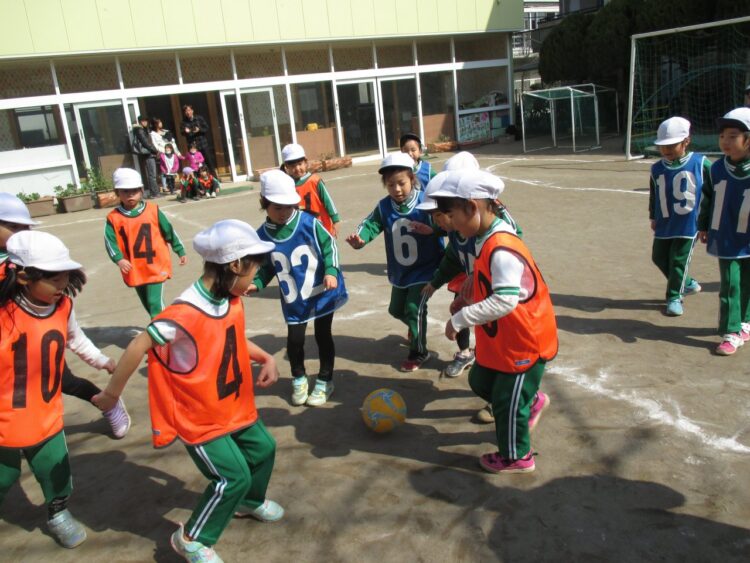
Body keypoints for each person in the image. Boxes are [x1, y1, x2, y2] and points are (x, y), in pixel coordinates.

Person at [92, 219, 283, 563]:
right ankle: (192, 538)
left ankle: (249, 503)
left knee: (264, 449)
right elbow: (139, 344)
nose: (255, 277)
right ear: (235, 265)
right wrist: (111, 394)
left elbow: (230, 339)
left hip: (232, 406)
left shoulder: (229, 297)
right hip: (200, 416)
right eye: (253, 269)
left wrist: (265, 356)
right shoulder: (183, 313)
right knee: (231, 477)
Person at [430, 169, 558, 474]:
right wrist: (468, 292)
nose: (449, 224)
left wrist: (460, 318)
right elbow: (487, 280)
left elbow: (505, 299)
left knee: (505, 402)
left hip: (524, 343)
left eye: (450, 215)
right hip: (503, 340)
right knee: (480, 380)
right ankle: (529, 400)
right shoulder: (486, 238)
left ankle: (516, 457)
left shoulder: (502, 246)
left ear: (472, 208)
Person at [0, 231, 117, 548]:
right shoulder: (4, 313)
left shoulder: (62, 305)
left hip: (45, 412)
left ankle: (58, 513)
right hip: (4, 418)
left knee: (56, 471)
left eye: (66, 276)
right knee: (4, 477)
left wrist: (102, 360)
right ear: (24, 276)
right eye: (53, 279)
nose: (62, 285)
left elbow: (75, 338)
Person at [0, 193, 130, 439]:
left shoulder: (36, 260)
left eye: (23, 227)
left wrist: (100, 360)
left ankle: (108, 403)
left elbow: (74, 336)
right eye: (12, 226)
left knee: (63, 380)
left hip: (37, 339)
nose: (19, 233)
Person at [249, 170, 348, 407]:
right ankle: (299, 377)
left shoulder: (308, 222)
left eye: (288, 207)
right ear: (265, 204)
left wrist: (331, 271)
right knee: (295, 340)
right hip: (294, 298)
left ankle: (325, 380)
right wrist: (258, 283)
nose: (283, 213)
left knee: (323, 335)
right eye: (277, 208)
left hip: (322, 291)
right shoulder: (262, 235)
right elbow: (267, 267)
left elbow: (329, 247)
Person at [346, 152, 444, 371]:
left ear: (412, 179)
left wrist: (434, 230)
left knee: (413, 307)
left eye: (401, 183)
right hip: (401, 271)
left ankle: (419, 352)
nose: (397, 190)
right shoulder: (384, 207)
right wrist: (360, 239)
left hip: (426, 269)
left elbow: (446, 224)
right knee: (396, 310)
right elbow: (370, 224)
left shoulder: (425, 202)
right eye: (391, 185)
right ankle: (414, 326)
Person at [697, 107, 750, 355]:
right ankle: (730, 331)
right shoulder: (716, 169)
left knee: (747, 282)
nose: (725, 142)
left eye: (732, 136)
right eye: (722, 136)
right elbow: (707, 198)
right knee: (730, 282)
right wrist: (703, 225)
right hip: (727, 235)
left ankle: (745, 322)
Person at [105, 167, 188, 318]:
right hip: (134, 267)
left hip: (156, 264)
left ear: (142, 190)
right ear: (117, 193)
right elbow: (110, 241)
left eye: (134, 190)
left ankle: (163, 333)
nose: (130, 194)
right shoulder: (114, 218)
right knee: (147, 303)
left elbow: (168, 231)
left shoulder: (153, 210)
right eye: (125, 191)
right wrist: (119, 259)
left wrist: (179, 250)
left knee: (154, 302)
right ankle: (158, 327)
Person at [648, 117, 709, 317]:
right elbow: (654, 194)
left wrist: (707, 220)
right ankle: (688, 282)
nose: (666, 151)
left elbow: (716, 188)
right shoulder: (656, 168)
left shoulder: (700, 163)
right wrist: (653, 216)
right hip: (665, 221)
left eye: (672, 145)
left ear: (686, 141)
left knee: (678, 260)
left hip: (688, 223)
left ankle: (674, 297)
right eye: (662, 146)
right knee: (658, 256)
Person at [280, 143, 341, 236]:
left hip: (321, 228)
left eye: (300, 164)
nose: (297, 168)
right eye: (292, 166)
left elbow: (328, 201)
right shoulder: (286, 185)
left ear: (306, 163)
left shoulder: (315, 181)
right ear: (286, 167)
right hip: (300, 230)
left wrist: (336, 220)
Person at [180, 104, 216, 176]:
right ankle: (200, 181)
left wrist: (199, 130)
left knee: (209, 162)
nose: (188, 112)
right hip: (193, 147)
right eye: (186, 111)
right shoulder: (183, 122)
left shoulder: (199, 118)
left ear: (192, 111)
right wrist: (185, 131)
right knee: (196, 165)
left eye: (189, 110)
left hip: (203, 144)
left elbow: (206, 128)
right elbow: (181, 132)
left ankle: (215, 179)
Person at [131, 115, 160, 199]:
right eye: (143, 121)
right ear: (140, 121)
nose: (145, 122)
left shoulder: (144, 130)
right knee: (152, 174)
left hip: (149, 153)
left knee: (152, 174)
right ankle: (154, 193)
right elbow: (145, 143)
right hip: (148, 154)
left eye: (146, 121)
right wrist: (155, 150)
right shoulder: (139, 130)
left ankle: (154, 192)